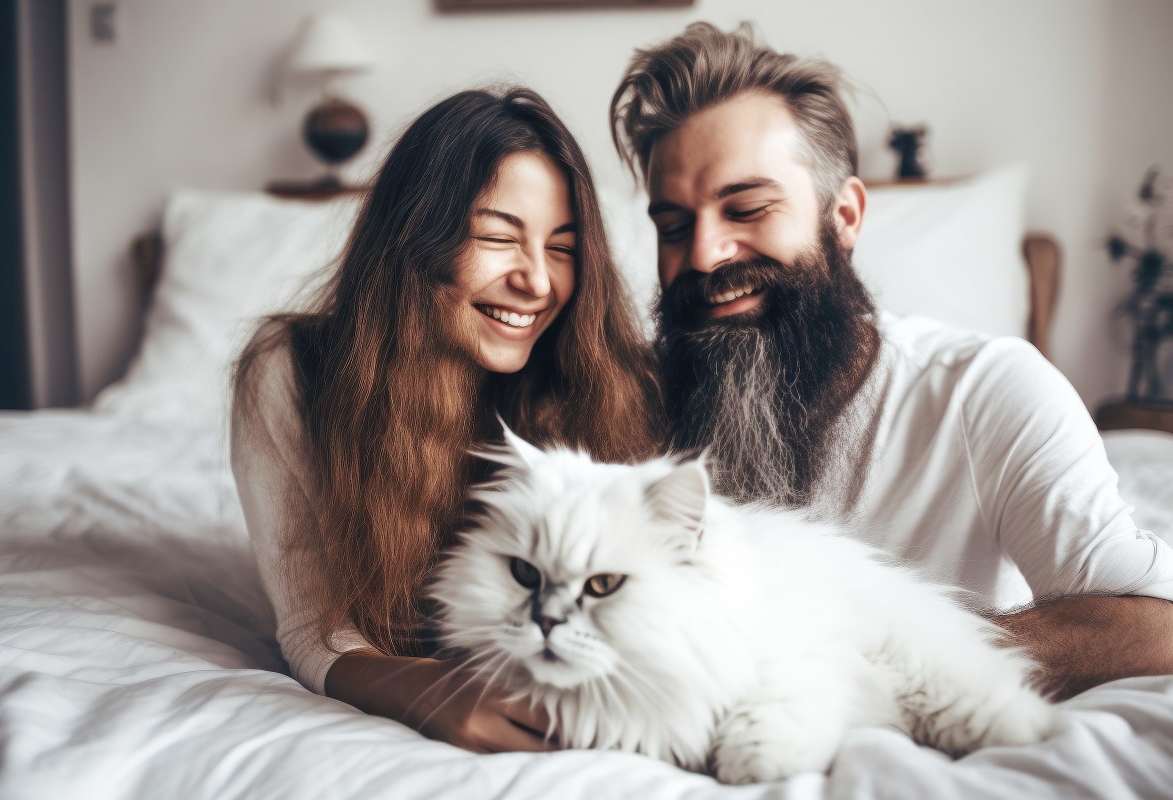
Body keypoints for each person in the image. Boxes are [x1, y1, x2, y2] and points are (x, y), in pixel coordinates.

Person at [610, 22, 1173, 700]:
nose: (703, 255)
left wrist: (873, 663)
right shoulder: (621, 400)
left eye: (748, 208)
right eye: (673, 226)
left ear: (844, 216)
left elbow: (1154, 625)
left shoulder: (984, 390)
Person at [230, 87, 661, 753]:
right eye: (497, 237)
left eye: (563, 248)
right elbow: (315, 629)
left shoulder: (614, 387)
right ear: (414, 236)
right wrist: (429, 689)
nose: (538, 282)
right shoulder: (290, 372)